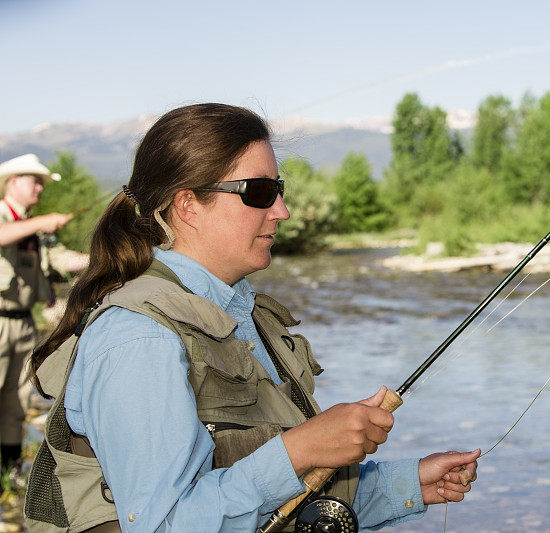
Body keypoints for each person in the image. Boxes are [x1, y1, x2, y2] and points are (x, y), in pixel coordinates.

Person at [25, 103, 479, 532]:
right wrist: (300, 449)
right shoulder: (138, 336)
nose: (281, 211)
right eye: (260, 192)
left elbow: (283, 503)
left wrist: (409, 483)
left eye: (279, 191)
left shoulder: (247, 315)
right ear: (187, 206)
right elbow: (165, 523)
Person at [0, 153, 83, 481]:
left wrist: (105, 259)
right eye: (35, 182)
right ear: (14, 182)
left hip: (23, 323)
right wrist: (41, 222)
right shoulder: (10, 218)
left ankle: (10, 471)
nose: (39, 189)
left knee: (17, 401)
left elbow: (63, 260)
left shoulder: (35, 231)